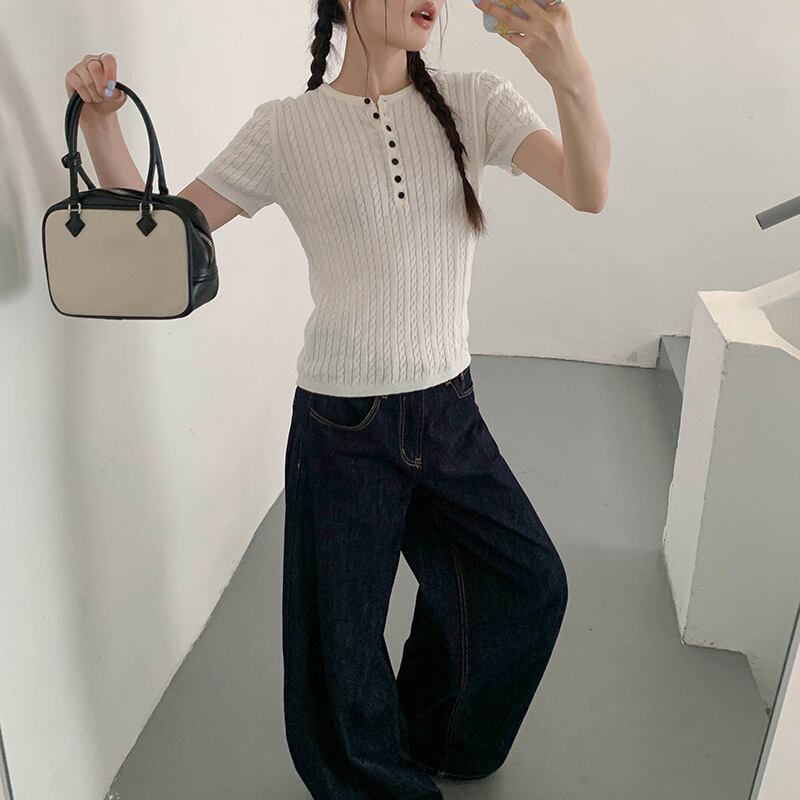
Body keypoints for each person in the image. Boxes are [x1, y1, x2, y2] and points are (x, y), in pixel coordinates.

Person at [66, 0, 608, 796]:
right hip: (341, 423)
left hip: (448, 409)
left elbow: (589, 191)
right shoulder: (286, 128)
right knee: (341, 646)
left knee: (525, 584)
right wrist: (102, 125)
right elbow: (163, 247)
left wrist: (570, 76)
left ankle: (442, 736)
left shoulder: (477, 100)